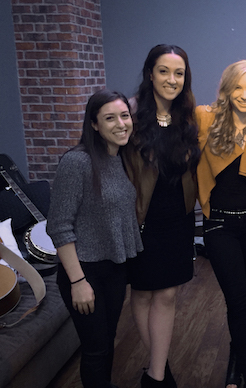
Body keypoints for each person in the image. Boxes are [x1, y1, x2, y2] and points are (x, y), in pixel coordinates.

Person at [47, 89, 143, 388]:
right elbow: (59, 225)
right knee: (95, 348)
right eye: (110, 118)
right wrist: (78, 282)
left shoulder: (122, 158)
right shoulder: (78, 162)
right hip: (85, 271)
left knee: (106, 342)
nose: (120, 124)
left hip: (114, 267)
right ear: (94, 124)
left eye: (124, 116)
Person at [195, 59, 246, 388]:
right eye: (238, 87)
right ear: (226, 90)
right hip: (219, 226)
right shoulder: (206, 118)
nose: (245, 95)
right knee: (237, 297)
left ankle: (235, 357)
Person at [123, 44, 200, 388]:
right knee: (142, 292)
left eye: (179, 73)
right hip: (141, 219)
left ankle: (155, 373)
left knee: (167, 294)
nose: (172, 79)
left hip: (177, 219)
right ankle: (159, 372)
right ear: (150, 74)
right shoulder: (130, 114)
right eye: (164, 71)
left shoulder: (188, 116)